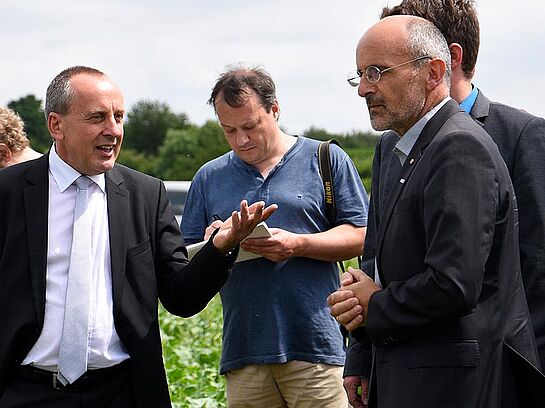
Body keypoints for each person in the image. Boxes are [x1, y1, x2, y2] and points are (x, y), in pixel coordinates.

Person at [0, 66, 276, 408]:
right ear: (56, 125)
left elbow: (181, 296)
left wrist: (220, 246)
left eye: (119, 117)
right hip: (25, 393)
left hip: (122, 393)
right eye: (97, 117)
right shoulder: (9, 193)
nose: (113, 130)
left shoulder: (146, 195)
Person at [327, 15, 541, 408]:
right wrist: (360, 319)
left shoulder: (458, 146)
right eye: (358, 74)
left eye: (376, 72)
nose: (363, 89)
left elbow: (453, 285)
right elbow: (383, 262)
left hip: (451, 388)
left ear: (433, 72)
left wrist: (373, 305)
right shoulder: (409, 148)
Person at [181, 65, 369, 407]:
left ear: (275, 109)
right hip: (244, 352)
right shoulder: (209, 177)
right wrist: (215, 245)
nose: (242, 140)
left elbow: (362, 233)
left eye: (251, 126)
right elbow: (185, 264)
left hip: (317, 348)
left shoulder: (325, 158)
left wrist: (297, 244)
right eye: (229, 130)